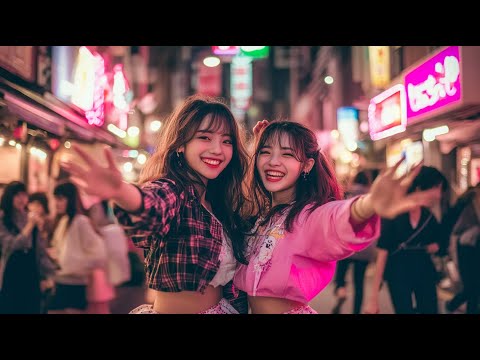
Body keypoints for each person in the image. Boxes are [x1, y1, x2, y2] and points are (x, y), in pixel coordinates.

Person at [61, 94, 250, 314]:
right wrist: (121, 191)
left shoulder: (221, 204)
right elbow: (152, 205)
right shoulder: (174, 191)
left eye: (227, 141)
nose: (218, 149)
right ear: (181, 144)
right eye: (205, 138)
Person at [233, 120, 442, 314]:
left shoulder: (308, 216)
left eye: (287, 154)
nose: (273, 162)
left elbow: (334, 220)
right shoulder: (260, 215)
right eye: (265, 152)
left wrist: (368, 205)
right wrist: (255, 145)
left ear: (307, 165)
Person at [364, 166, 449, 314]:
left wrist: (437, 246)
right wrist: (373, 298)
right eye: (437, 187)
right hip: (398, 273)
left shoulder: (429, 216)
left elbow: (442, 242)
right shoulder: (393, 214)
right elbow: (382, 253)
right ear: (420, 187)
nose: (439, 194)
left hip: (425, 271)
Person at [47, 181, 107, 314]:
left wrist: (76, 265)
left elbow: (99, 253)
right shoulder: (64, 220)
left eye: (60, 199)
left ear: (70, 199)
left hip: (75, 283)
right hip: (62, 280)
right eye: (56, 199)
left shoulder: (81, 221)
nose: (57, 203)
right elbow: (59, 249)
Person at [0, 181, 56, 313]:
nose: (22, 199)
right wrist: (30, 225)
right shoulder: (3, 220)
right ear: (10, 197)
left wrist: (50, 274)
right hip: (11, 271)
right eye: (17, 195)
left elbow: (39, 251)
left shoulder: (30, 218)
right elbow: (12, 245)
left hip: (30, 271)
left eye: (24, 195)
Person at [332, 170, 378, 314]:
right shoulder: (371, 198)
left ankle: (341, 289)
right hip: (364, 246)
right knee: (359, 283)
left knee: (341, 272)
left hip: (346, 243)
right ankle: (356, 311)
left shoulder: (347, 194)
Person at [446, 183, 480, 313]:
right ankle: (452, 305)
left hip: (474, 247)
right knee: (472, 287)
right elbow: (453, 226)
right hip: (464, 248)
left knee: (474, 287)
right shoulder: (469, 201)